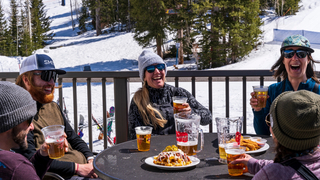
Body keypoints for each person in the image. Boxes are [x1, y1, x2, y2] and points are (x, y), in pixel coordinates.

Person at [14, 53, 99, 179]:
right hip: (59, 176)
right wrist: (77, 168)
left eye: (54, 76)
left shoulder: (52, 106)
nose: (51, 82)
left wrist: (90, 158)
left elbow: (73, 138)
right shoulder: (20, 114)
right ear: (26, 80)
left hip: (83, 169)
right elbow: (30, 161)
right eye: (46, 75)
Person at [233, 90, 320, 179]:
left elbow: (281, 170)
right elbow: (297, 165)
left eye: (269, 120)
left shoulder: (270, 175)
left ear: (279, 132)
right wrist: (255, 164)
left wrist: (266, 171)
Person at [128, 49, 212, 140]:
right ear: (144, 76)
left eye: (160, 67)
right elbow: (134, 135)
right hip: (154, 151)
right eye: (150, 69)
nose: (157, 71)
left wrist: (191, 113)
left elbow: (208, 117)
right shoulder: (138, 100)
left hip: (182, 148)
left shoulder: (179, 93)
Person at [250, 34, 320, 135]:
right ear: (283, 59)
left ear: (308, 59)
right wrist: (258, 110)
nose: (295, 58)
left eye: (301, 53)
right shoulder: (272, 91)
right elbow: (263, 133)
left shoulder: (318, 91)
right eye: (288, 53)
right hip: (281, 150)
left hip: (312, 150)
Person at [0, 81, 54, 179]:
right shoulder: (15, 167)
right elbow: (20, 173)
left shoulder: (16, 169)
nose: (32, 127)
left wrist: (41, 157)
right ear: (9, 122)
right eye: (29, 120)